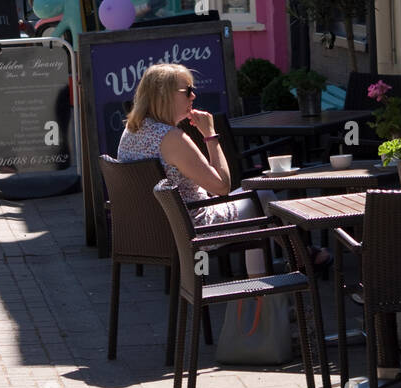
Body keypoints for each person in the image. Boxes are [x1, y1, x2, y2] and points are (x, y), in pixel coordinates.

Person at [117, 63, 331, 266]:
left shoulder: (131, 131)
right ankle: (300, 259)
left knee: (254, 205)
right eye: (187, 90)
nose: (194, 95)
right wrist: (210, 135)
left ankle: (269, 284)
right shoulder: (172, 138)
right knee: (262, 195)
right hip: (192, 229)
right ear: (164, 95)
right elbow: (221, 187)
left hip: (153, 231)